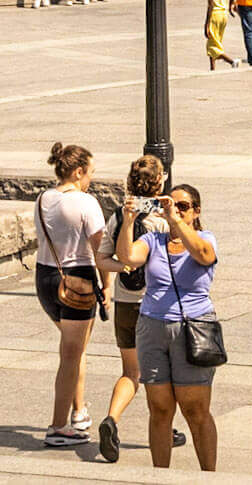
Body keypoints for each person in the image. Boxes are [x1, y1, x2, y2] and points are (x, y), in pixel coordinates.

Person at [117, 183, 220, 472]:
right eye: (170, 205)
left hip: (193, 329)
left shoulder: (205, 238)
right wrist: (127, 222)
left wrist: (176, 220)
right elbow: (127, 257)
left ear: (196, 211)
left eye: (183, 206)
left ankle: (208, 476)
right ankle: (160, 476)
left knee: (195, 409)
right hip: (152, 327)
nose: (176, 211)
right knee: (159, 408)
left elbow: (203, 255)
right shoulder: (153, 239)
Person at [93, 156, 187, 462]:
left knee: (131, 372)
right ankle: (166, 428)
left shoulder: (120, 216)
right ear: (160, 182)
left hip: (125, 305)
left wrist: (124, 266)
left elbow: (102, 259)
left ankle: (111, 418)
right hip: (155, 307)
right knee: (162, 372)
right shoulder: (161, 221)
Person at [33, 142, 106, 448]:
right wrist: (106, 290)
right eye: (89, 173)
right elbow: (101, 250)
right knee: (70, 356)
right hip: (79, 281)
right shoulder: (85, 203)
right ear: (78, 172)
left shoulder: (43, 198)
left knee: (75, 349)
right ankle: (57, 427)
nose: (90, 179)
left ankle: (79, 411)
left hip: (46, 277)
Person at [201, 0, 238, 69]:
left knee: (212, 45)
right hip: (224, 14)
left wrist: (207, 23)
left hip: (215, 15)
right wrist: (231, 5)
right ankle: (212, 67)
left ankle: (232, 61)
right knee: (216, 40)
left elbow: (210, 5)